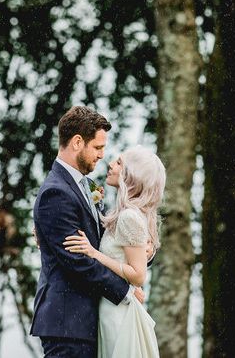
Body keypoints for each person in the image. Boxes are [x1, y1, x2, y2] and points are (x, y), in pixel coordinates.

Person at [30, 106, 142, 357]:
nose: (103, 155)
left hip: (85, 322)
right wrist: (125, 292)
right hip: (67, 323)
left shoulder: (86, 186)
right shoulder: (55, 193)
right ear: (77, 142)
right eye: (98, 147)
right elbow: (77, 262)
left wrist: (142, 253)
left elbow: (108, 244)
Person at [63, 145, 166, 358]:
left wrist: (94, 253)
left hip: (118, 315)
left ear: (133, 175)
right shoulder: (121, 214)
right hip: (109, 307)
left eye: (119, 162)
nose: (110, 163)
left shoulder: (129, 217)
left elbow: (138, 275)